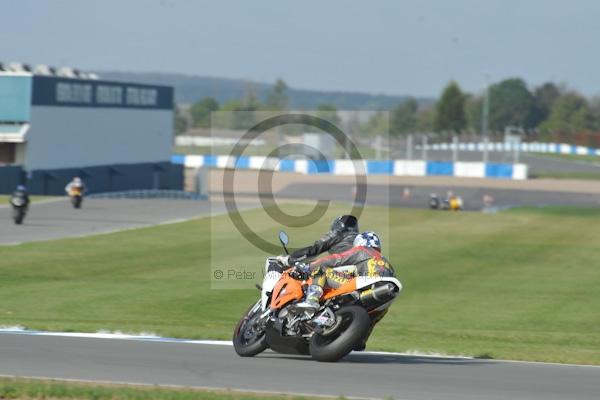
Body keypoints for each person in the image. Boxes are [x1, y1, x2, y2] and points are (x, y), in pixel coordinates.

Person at [296, 231, 395, 310]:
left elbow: (337, 259)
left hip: (366, 284)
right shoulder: (385, 262)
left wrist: (308, 267)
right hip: (385, 292)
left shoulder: (362, 250)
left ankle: (312, 300)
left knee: (320, 270)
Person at [276, 215, 359, 267]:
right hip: (358, 270)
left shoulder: (337, 234)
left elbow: (313, 250)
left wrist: (289, 259)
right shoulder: (360, 238)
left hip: (340, 270)